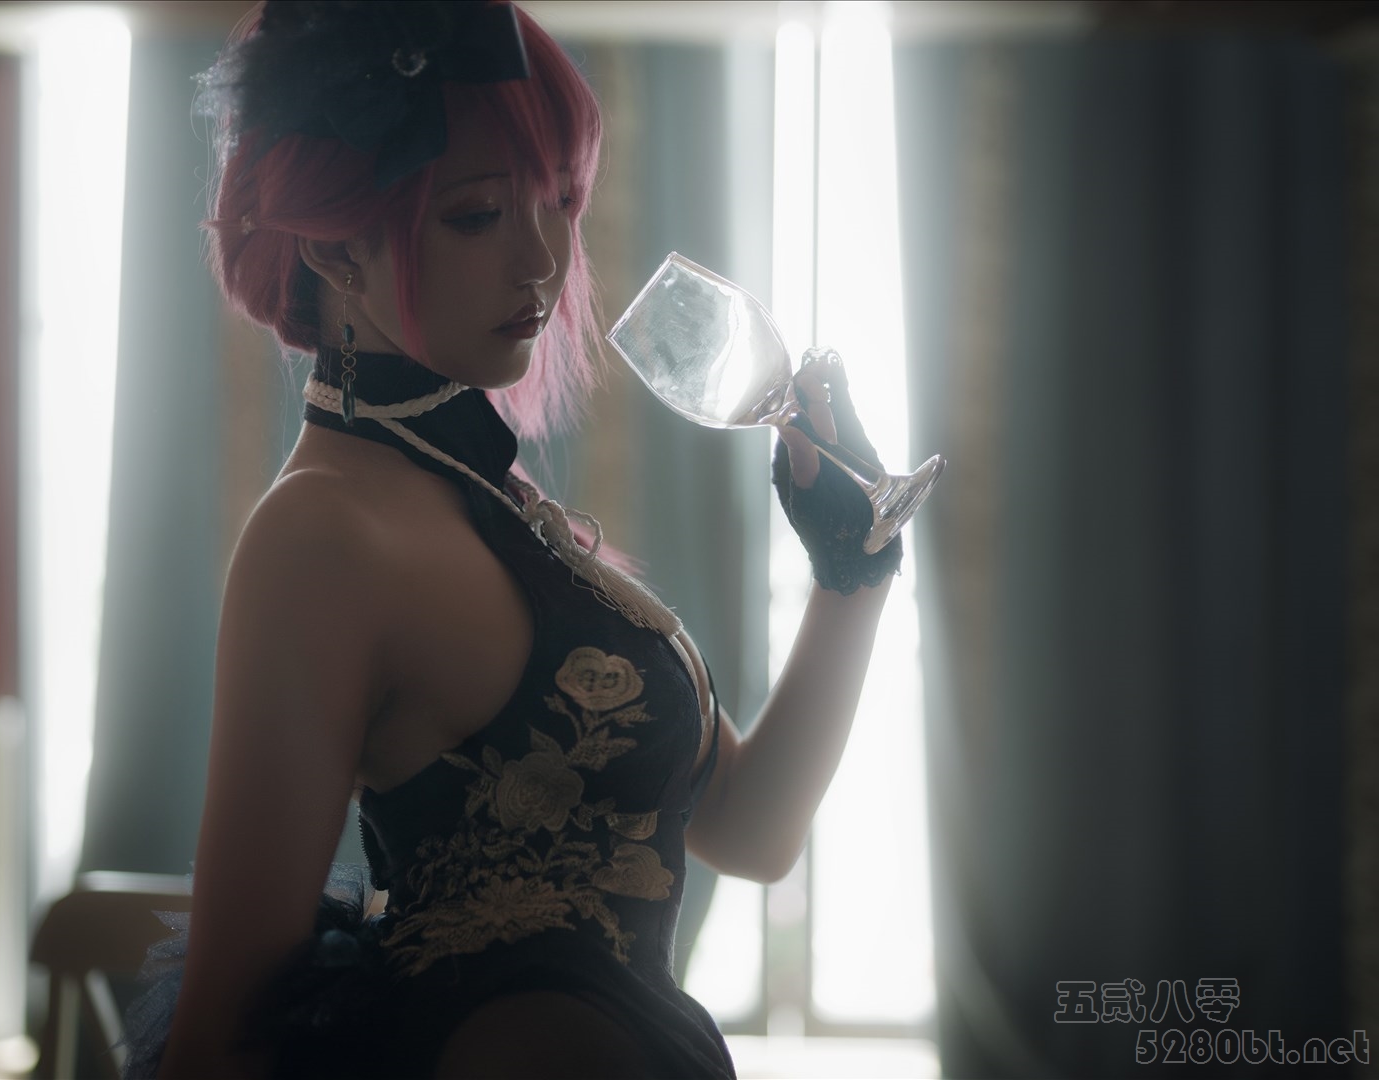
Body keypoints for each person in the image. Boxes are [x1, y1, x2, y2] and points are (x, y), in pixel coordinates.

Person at [122, 2, 903, 1076]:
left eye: (560, 200)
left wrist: (852, 571)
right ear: (336, 244)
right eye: (479, 214)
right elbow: (221, 1033)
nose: (544, 259)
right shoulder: (321, 535)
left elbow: (752, 830)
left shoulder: (488, 498)